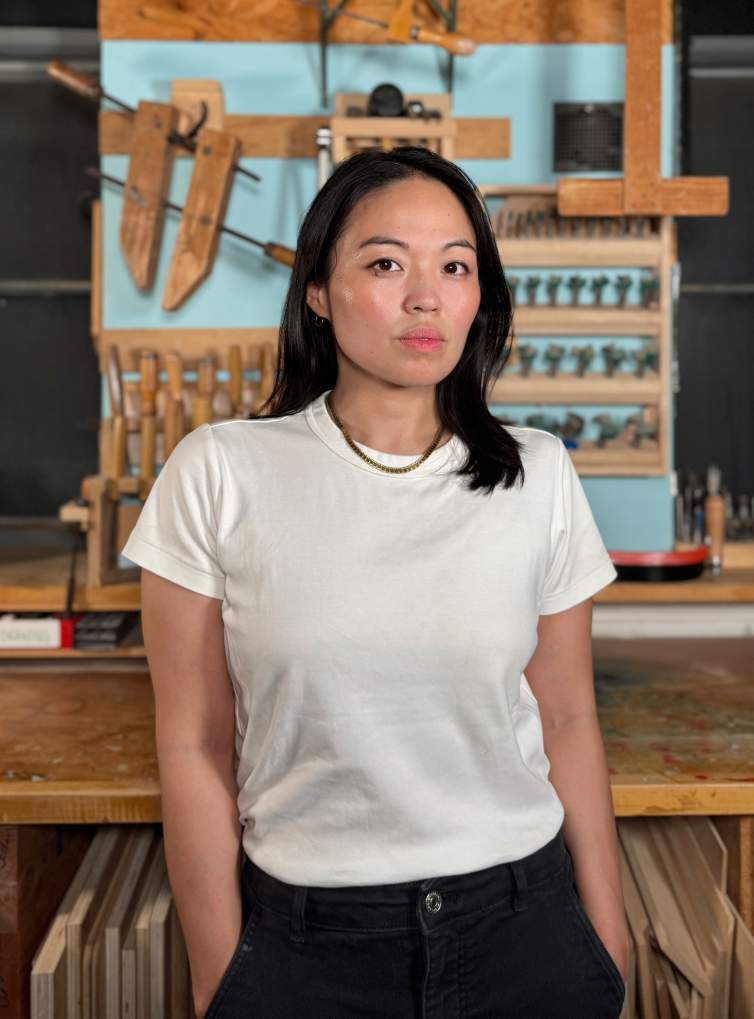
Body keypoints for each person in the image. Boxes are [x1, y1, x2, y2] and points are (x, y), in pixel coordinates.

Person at [122, 145, 629, 1019]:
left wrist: (608, 948)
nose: (425, 295)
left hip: (525, 929)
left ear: (480, 295)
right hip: (307, 948)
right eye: (386, 262)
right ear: (317, 290)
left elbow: (569, 717)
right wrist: (220, 978)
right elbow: (196, 743)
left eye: (455, 265)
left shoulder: (537, 473)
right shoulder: (220, 471)